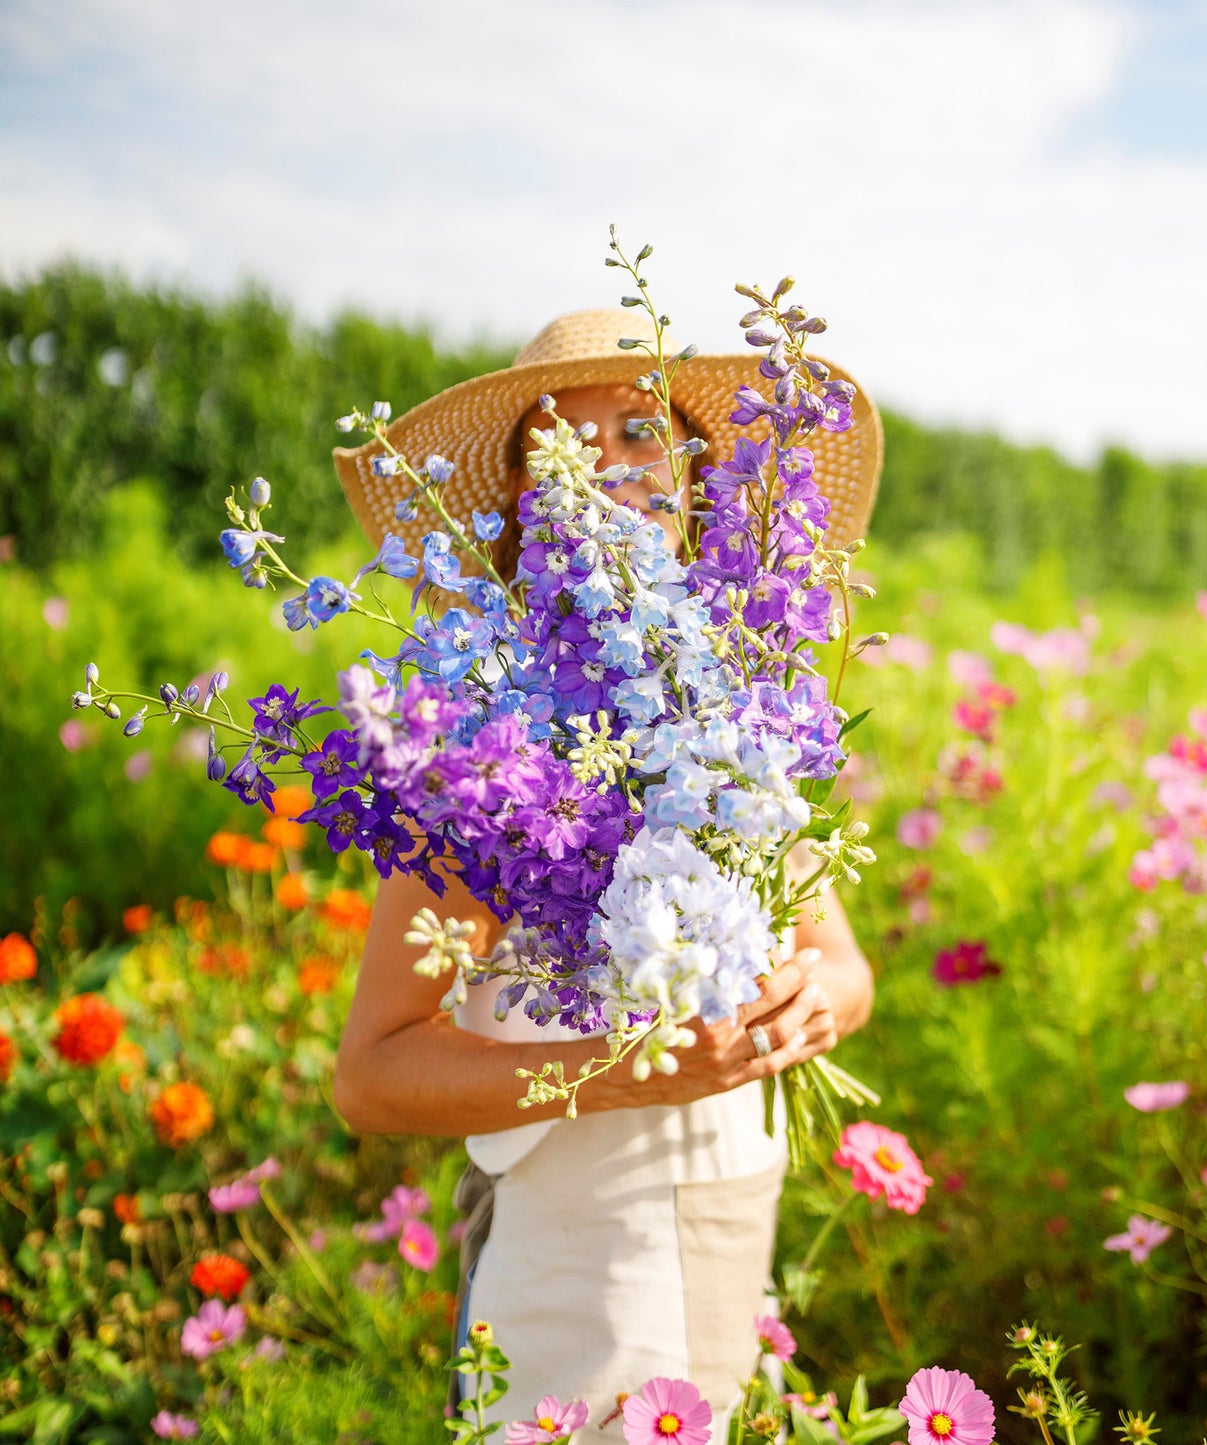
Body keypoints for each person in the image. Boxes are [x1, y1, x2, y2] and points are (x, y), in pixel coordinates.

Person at [329, 310, 884, 1436]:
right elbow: (372, 1075)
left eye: (642, 433)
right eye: (567, 451)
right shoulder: (485, 754)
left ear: (694, 482)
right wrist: (614, 1070)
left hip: (730, 1200)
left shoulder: (740, 710)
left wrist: (811, 1005)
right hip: (577, 1254)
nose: (615, 470)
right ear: (529, 512)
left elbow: (840, 960)